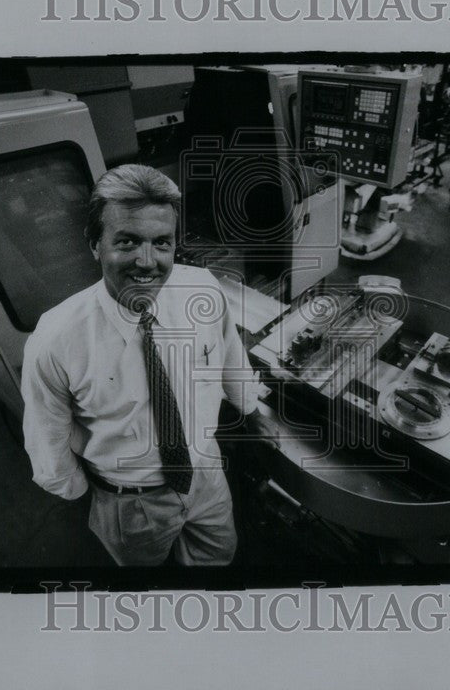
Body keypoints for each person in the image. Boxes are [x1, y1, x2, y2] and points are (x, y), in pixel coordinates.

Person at [21, 163, 270, 566]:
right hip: (131, 502)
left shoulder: (201, 290)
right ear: (94, 244)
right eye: (128, 242)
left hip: (205, 473)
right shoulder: (55, 340)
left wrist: (251, 408)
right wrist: (87, 495)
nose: (147, 261)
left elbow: (230, 357)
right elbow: (46, 436)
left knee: (218, 558)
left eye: (162, 243)